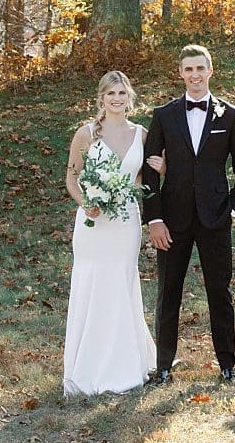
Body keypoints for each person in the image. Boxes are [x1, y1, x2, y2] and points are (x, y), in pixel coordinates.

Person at [141, 44, 235, 385]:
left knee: (219, 292)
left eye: (200, 68)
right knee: (168, 293)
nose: (194, 75)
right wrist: (155, 219)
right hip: (172, 220)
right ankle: (163, 367)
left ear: (210, 71)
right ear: (180, 73)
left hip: (215, 218)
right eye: (188, 69)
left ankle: (227, 366)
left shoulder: (230, 115)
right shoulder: (163, 115)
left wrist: (233, 209)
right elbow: (149, 172)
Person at [61, 70, 162, 395]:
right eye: (111, 94)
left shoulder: (142, 135)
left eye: (122, 94)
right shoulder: (86, 133)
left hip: (125, 220)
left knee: (121, 283)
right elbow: (72, 177)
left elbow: (146, 180)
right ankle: (87, 365)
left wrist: (164, 168)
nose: (116, 99)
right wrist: (86, 201)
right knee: (92, 284)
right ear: (101, 98)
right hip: (93, 222)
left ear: (129, 97)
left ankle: (125, 363)